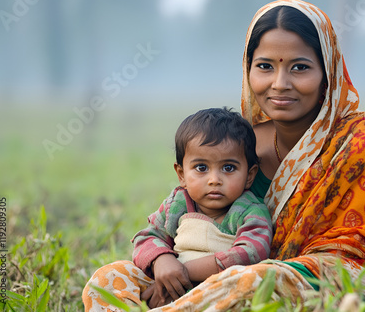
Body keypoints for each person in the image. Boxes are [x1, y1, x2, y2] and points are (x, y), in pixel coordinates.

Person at [83, 0, 365, 311]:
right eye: (265, 66)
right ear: (248, 70)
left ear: (328, 73)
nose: (280, 83)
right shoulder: (237, 145)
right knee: (108, 279)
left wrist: (196, 274)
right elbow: (173, 223)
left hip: (328, 284)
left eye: (299, 67)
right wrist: (165, 262)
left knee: (259, 279)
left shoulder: (361, 144)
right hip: (212, 277)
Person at [82, 108, 273, 310]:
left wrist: (182, 271)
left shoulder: (250, 211)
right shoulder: (178, 204)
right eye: (201, 168)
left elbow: (251, 253)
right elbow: (147, 236)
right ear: (181, 174)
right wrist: (162, 261)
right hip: (166, 284)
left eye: (228, 168)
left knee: (249, 284)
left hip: (218, 291)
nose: (214, 180)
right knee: (110, 275)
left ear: (250, 175)